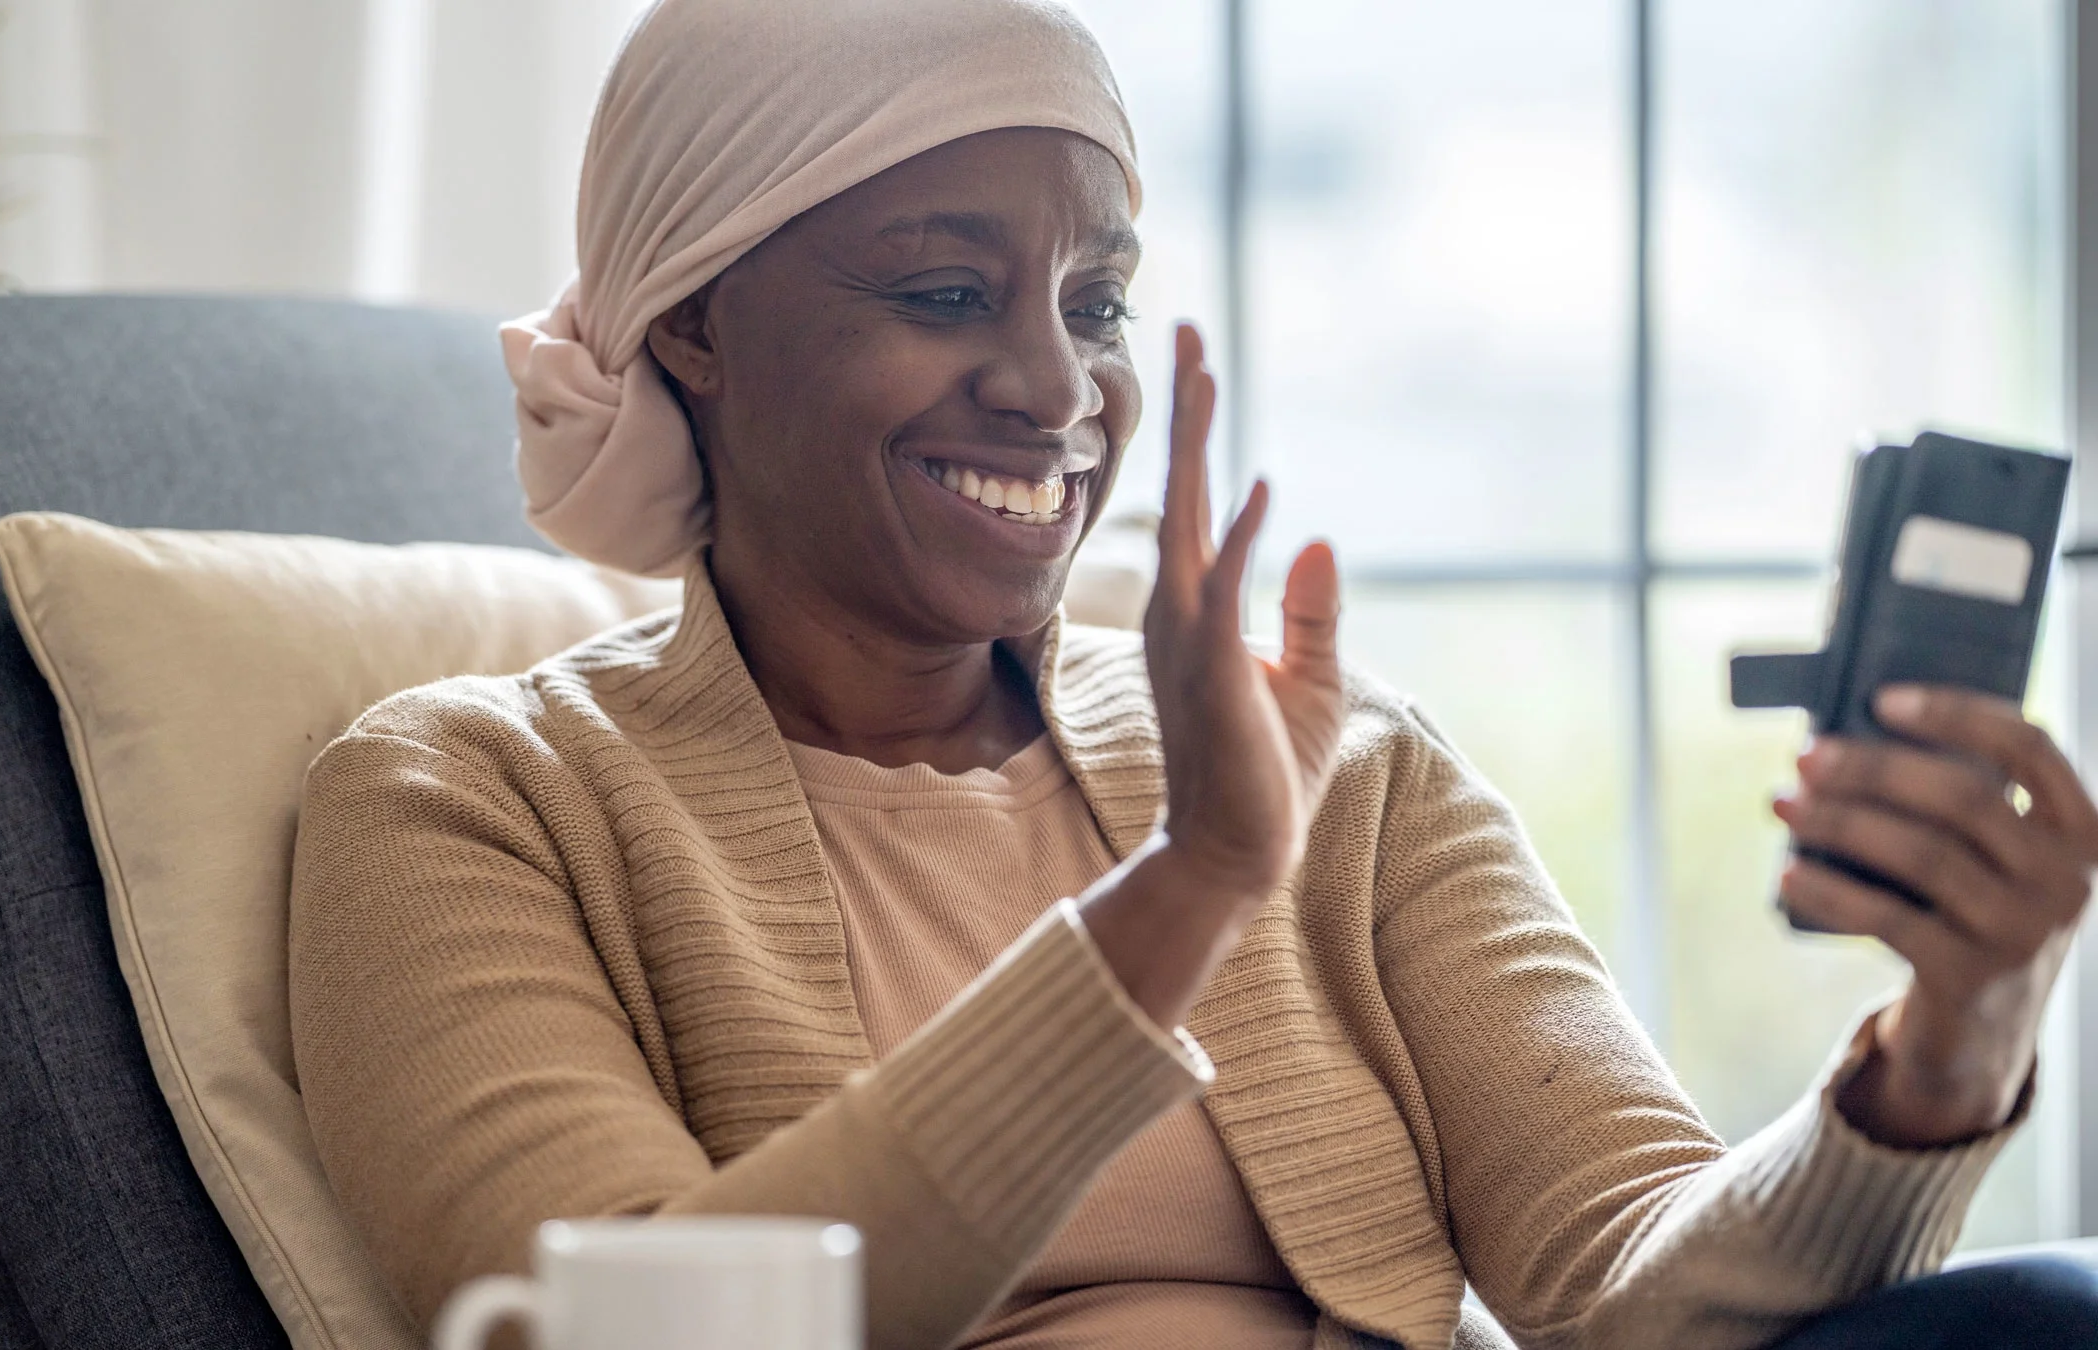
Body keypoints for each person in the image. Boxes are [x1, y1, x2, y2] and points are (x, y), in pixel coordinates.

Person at [287, 1, 2098, 1346]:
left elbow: (1640, 1289)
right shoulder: (462, 802)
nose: (1057, 389)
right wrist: (1192, 886)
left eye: (1094, 303)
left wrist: (1952, 1048)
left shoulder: (1341, 760)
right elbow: (614, 1329)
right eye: (944, 294)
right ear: (694, 319)